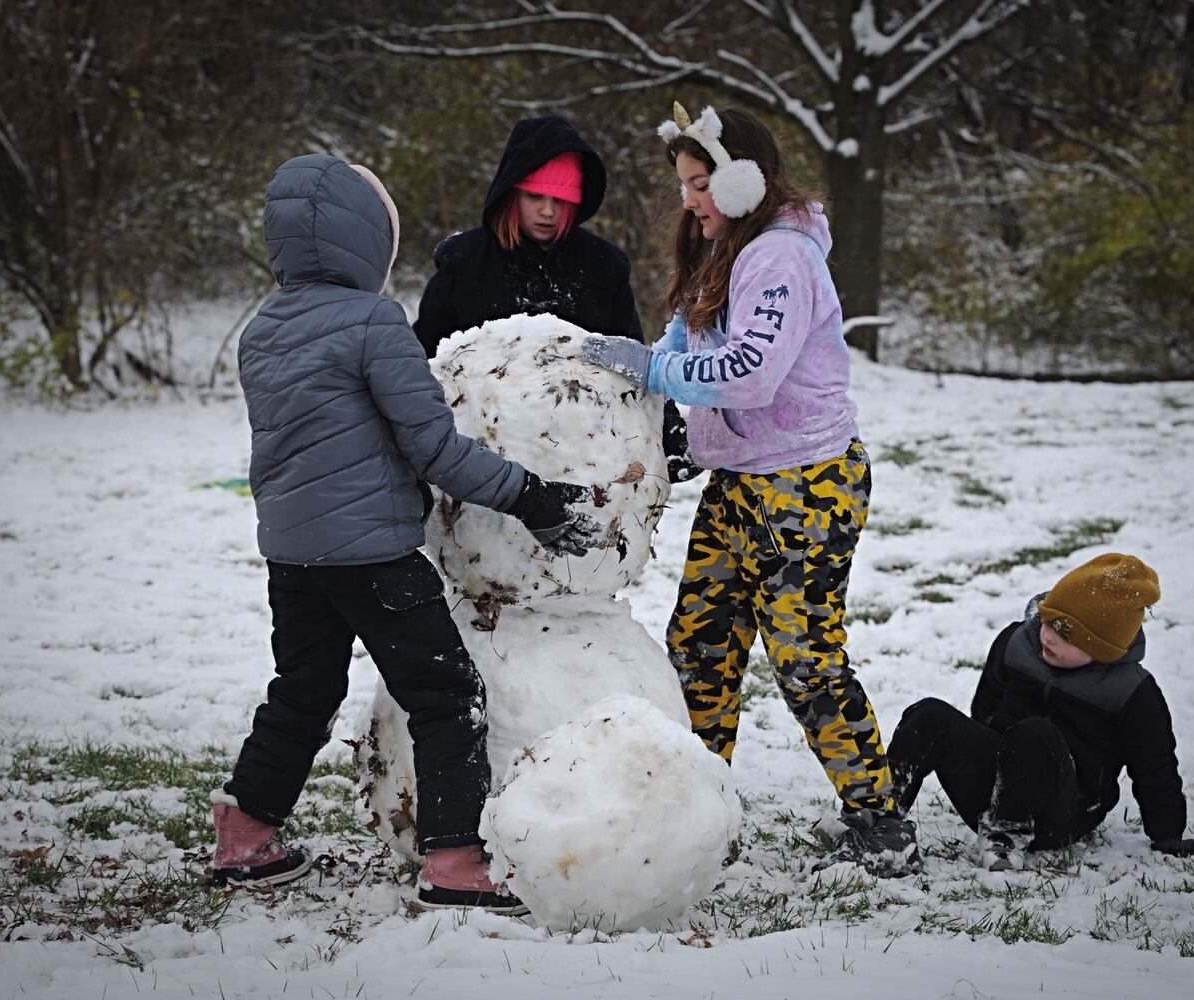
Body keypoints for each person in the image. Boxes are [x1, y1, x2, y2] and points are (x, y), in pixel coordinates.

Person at [212, 153, 600, 913]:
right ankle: (456, 860)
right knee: (447, 693)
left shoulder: (262, 331)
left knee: (304, 689)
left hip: (293, 554)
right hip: (374, 555)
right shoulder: (373, 322)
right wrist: (531, 496)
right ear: (365, 242)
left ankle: (245, 832)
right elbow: (435, 449)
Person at [578, 102, 903, 867]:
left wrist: (656, 369)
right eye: (684, 184)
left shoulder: (781, 256)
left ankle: (880, 823)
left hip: (808, 484)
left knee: (803, 657)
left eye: (700, 183)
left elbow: (752, 373)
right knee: (700, 646)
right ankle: (698, 813)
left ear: (743, 178)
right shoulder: (724, 246)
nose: (689, 200)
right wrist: (657, 400)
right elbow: (682, 344)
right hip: (742, 483)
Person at [847, 553, 1194, 876]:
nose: (1048, 635)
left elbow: (1156, 769)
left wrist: (1169, 836)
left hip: (1061, 812)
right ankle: (881, 818)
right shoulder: (1016, 644)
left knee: (1034, 734)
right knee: (929, 715)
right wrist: (974, 752)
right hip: (995, 788)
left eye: (1066, 633)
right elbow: (983, 711)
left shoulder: (1131, 692)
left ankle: (1007, 836)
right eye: (1047, 619)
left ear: (1104, 648)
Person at [413, 113, 697, 482]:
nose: (548, 211)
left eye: (561, 200)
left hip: (580, 459)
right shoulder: (464, 261)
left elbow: (630, 357)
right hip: (480, 459)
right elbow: (423, 356)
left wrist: (667, 435)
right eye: (536, 196)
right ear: (512, 193)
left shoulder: (602, 267)